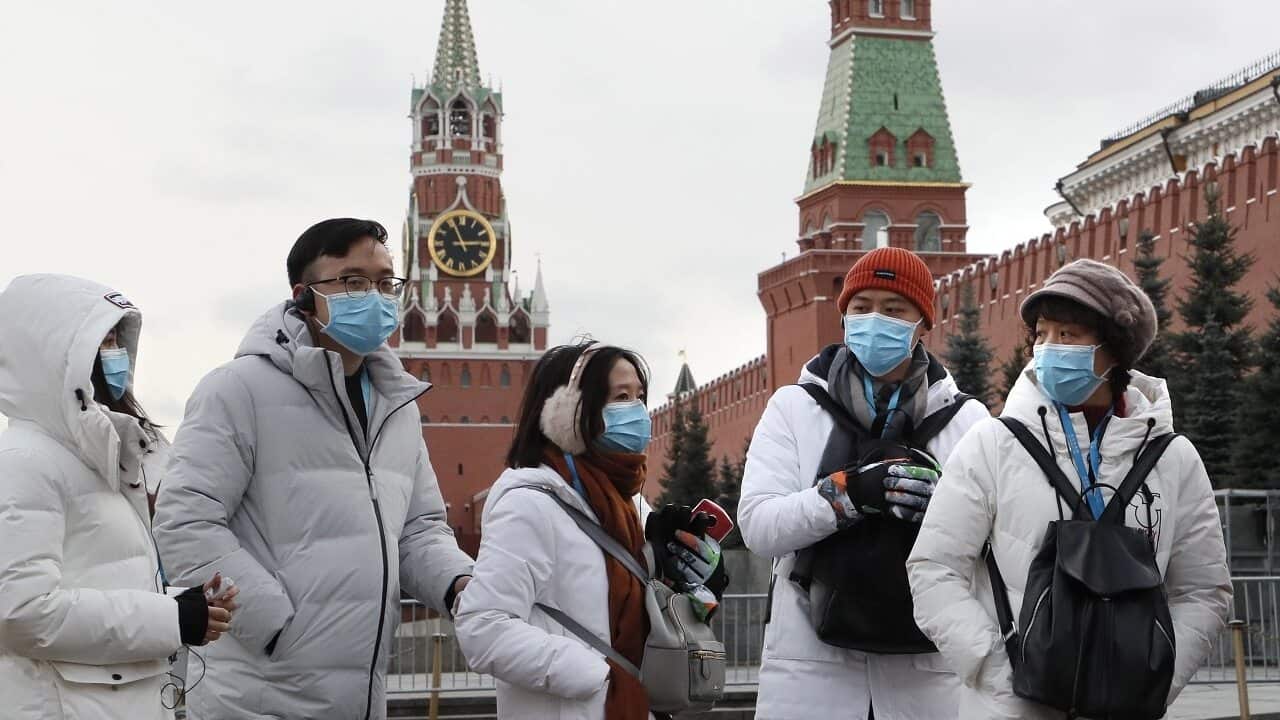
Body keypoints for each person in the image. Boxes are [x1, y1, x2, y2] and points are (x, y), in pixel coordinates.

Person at [153, 219, 475, 720]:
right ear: (304, 296)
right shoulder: (237, 390)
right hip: (258, 699)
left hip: (361, 700)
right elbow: (184, 523)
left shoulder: (396, 405)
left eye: (385, 282)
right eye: (352, 281)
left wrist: (459, 582)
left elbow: (417, 530)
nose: (373, 295)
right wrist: (278, 627)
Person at [906, 259, 1232, 719]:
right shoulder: (994, 445)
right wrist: (999, 670)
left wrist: (1156, 676)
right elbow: (933, 568)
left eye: (1069, 335)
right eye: (1041, 334)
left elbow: (1203, 590)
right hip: (1010, 708)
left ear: (1114, 351)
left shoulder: (1172, 458)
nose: (1049, 348)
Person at [739, 247, 990, 720]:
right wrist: (847, 495)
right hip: (811, 677)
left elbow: (995, 544)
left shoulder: (966, 420)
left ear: (922, 323)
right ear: (844, 316)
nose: (876, 319)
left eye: (894, 309)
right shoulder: (795, 408)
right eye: (862, 307)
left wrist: (943, 508)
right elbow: (759, 526)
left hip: (926, 677)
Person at [0, 274, 234, 720]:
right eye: (101, 342)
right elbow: (20, 613)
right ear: (51, 356)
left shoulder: (99, 460)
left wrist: (187, 601)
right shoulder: (24, 462)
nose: (116, 356)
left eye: (117, 340)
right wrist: (172, 619)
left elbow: (100, 578)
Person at [454, 342, 726, 720]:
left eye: (639, 397)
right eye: (620, 397)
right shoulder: (529, 505)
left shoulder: (629, 505)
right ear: (568, 413)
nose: (636, 411)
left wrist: (694, 583)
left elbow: (647, 618)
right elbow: (482, 630)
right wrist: (598, 675)